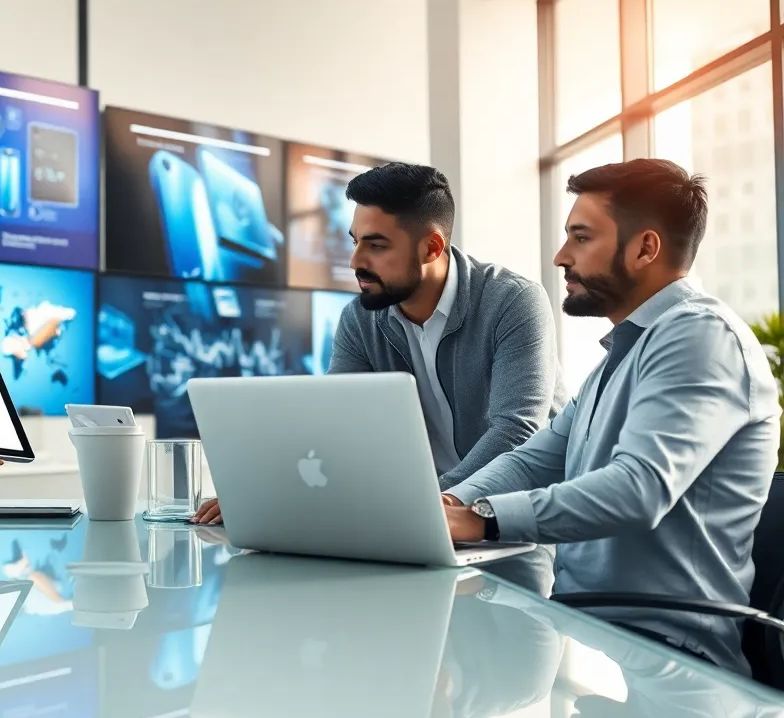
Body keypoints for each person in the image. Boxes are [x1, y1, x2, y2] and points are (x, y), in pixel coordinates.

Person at [443, 159, 780, 674]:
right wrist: (448, 504)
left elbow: (638, 488)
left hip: (673, 658)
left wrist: (483, 519)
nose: (561, 256)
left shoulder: (701, 337)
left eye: (581, 237)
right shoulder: (620, 357)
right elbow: (534, 460)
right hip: (592, 635)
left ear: (645, 248)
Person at [193, 162, 565, 524]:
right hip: (422, 517)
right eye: (355, 241)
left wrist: (432, 502)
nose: (355, 261)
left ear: (431, 247)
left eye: (376, 245)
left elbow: (516, 431)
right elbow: (338, 425)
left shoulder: (513, 301)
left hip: (521, 517)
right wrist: (264, 490)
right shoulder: (359, 319)